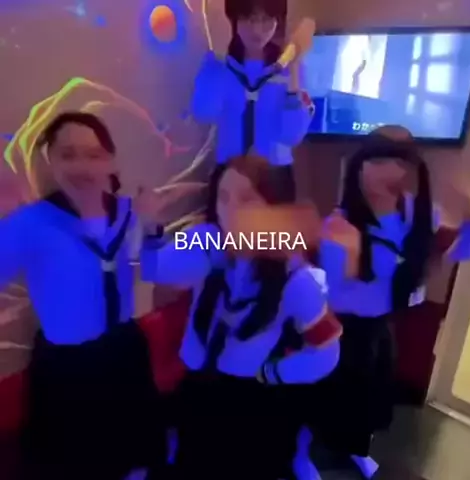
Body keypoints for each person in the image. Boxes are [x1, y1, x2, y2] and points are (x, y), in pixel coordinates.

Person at [139, 154, 342, 480]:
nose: (231, 210)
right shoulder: (209, 242)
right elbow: (156, 268)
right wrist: (151, 225)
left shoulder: (297, 277)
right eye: (223, 197)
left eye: (247, 199)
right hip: (197, 391)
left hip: (251, 406)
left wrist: (275, 373)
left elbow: (328, 351)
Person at [0, 112, 166, 480]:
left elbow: (155, 270)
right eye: (68, 154)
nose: (82, 166)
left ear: (110, 161)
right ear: (51, 160)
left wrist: (153, 227)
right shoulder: (30, 223)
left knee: (133, 457)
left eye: (93, 155)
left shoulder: (130, 212)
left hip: (124, 353)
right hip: (68, 370)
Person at [316, 136, 470, 478]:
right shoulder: (340, 223)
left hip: (383, 326)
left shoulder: (418, 216)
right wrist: (349, 259)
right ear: (358, 168)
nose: (387, 171)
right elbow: (335, 291)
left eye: (398, 162)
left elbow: (458, 253)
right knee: (334, 404)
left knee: (373, 401)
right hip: (344, 329)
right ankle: (316, 456)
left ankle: (357, 450)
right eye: (376, 161)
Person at [191, 0, 313, 201]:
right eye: (249, 19)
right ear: (234, 20)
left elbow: (292, 135)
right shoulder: (220, 65)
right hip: (229, 173)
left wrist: (293, 67)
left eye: (266, 20)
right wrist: (216, 59)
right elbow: (204, 112)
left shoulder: (290, 68)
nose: (257, 30)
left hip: (275, 176)